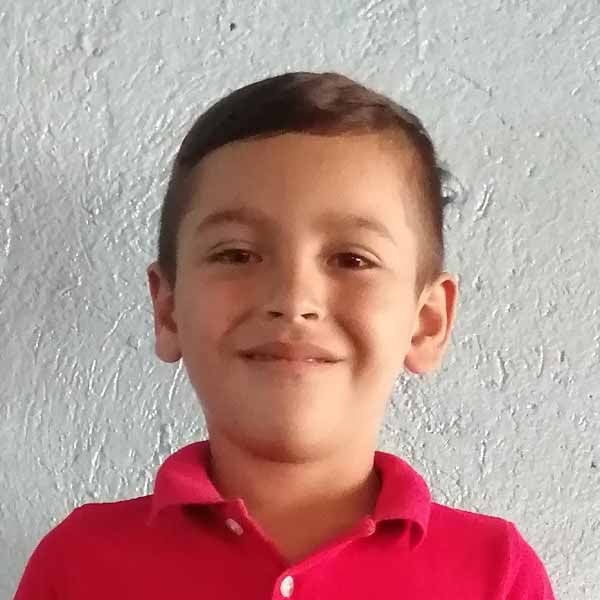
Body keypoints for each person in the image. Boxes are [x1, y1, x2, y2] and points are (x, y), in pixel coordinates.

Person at [14, 71, 556, 599]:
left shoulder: (495, 573)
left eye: (352, 259)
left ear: (427, 322)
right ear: (169, 309)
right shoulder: (80, 563)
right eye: (236, 254)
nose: (293, 301)